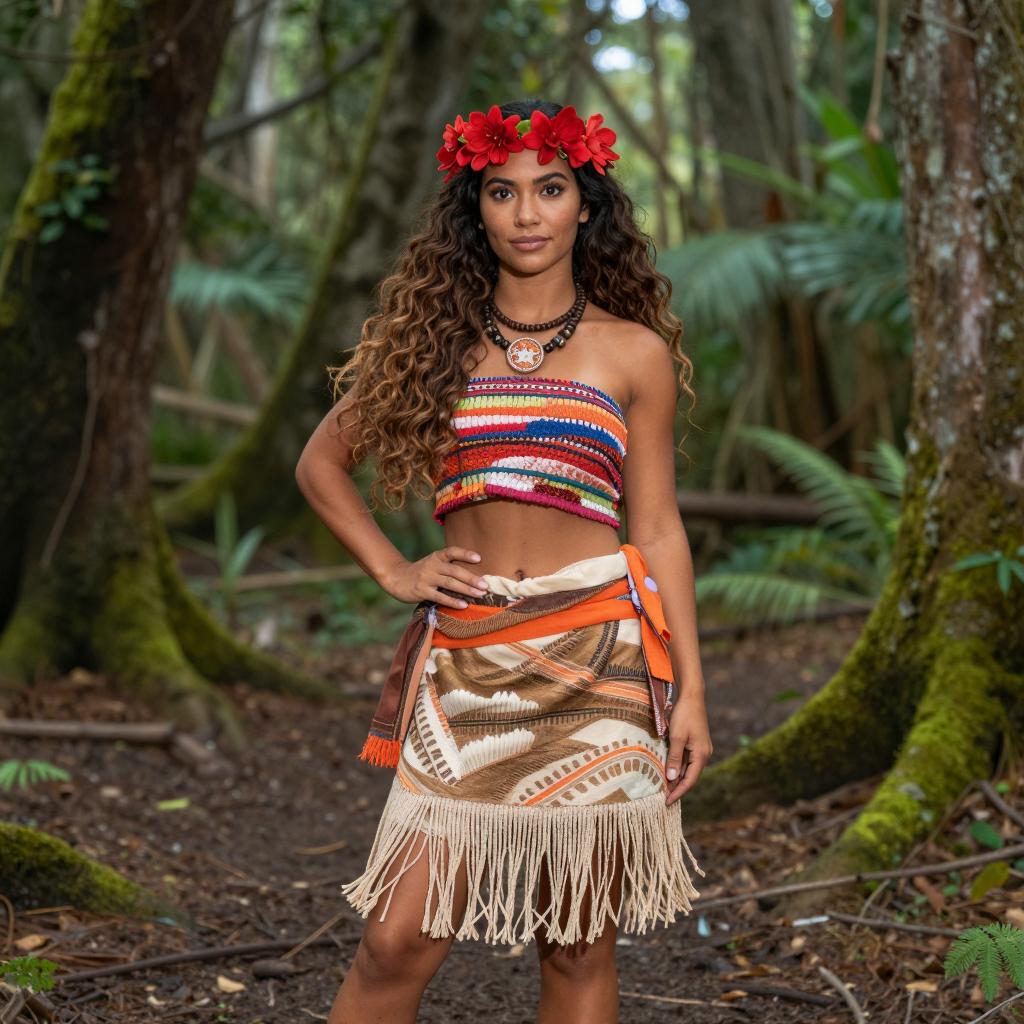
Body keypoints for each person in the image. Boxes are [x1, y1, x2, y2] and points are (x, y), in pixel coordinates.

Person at [295, 98, 713, 1024]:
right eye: (502, 191)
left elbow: (658, 529)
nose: (527, 213)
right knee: (393, 943)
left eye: (550, 189)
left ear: (585, 206)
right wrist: (394, 570)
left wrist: (691, 690)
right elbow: (320, 463)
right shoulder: (431, 342)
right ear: (474, 210)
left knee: (578, 946)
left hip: (602, 663)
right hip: (467, 659)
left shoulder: (633, 353)